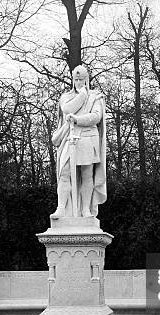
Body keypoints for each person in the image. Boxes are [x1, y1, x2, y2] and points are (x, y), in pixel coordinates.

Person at [50, 65, 107, 219]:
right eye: (76, 79)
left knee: (87, 174)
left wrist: (77, 120)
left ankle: (86, 210)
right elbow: (67, 109)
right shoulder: (66, 96)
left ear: (87, 79)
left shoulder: (96, 97)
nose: (79, 82)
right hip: (70, 137)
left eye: (82, 79)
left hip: (88, 137)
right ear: (72, 80)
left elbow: (96, 117)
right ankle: (61, 207)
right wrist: (81, 96)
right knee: (64, 172)